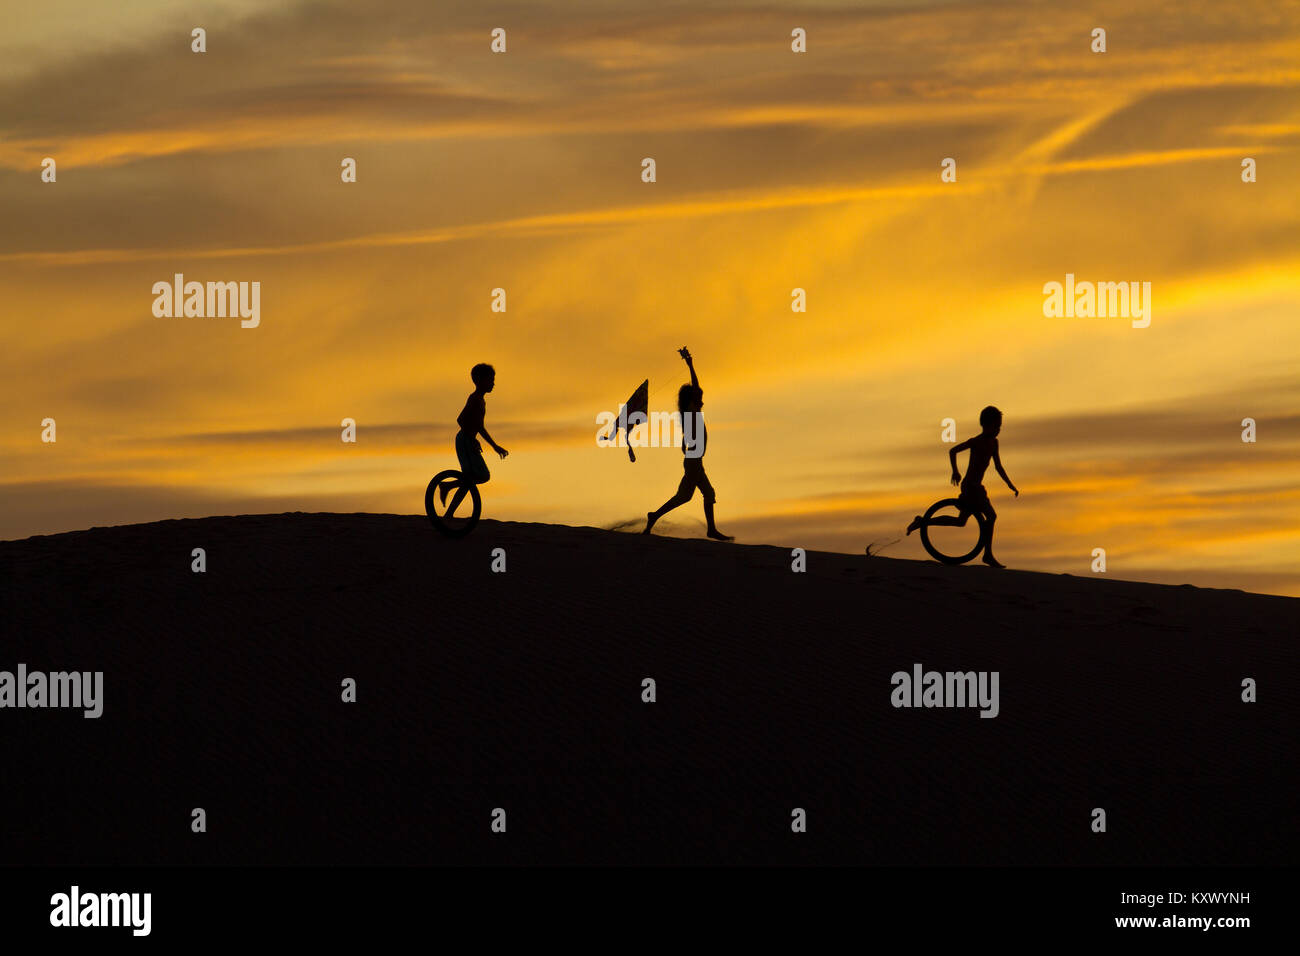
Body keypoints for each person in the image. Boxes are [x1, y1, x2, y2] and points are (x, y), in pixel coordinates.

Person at [906, 405, 1018, 567]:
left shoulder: (994, 443)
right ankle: (987, 554)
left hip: (977, 487)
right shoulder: (976, 441)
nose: (998, 430)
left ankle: (923, 521)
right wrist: (955, 471)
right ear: (986, 425)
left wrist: (1010, 485)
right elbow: (953, 451)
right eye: (996, 426)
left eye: (999, 426)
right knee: (991, 516)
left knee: (960, 522)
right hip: (971, 487)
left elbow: (998, 467)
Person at [643, 348, 733, 541]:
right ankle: (709, 529)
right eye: (697, 398)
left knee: (690, 495)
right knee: (700, 494)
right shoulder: (691, 411)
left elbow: (697, 387)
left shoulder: (692, 412)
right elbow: (696, 389)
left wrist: (690, 365)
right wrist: (690, 366)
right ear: (691, 400)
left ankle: (655, 516)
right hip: (693, 461)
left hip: (694, 460)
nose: (701, 400)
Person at [440, 363, 508, 514]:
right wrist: (471, 438)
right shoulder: (474, 399)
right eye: (490, 380)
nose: (493, 383)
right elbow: (460, 419)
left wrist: (495, 446)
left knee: (474, 478)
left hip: (468, 440)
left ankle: (448, 497)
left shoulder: (481, 400)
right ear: (479, 380)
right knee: (477, 476)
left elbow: (480, 427)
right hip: (464, 440)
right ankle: (447, 490)